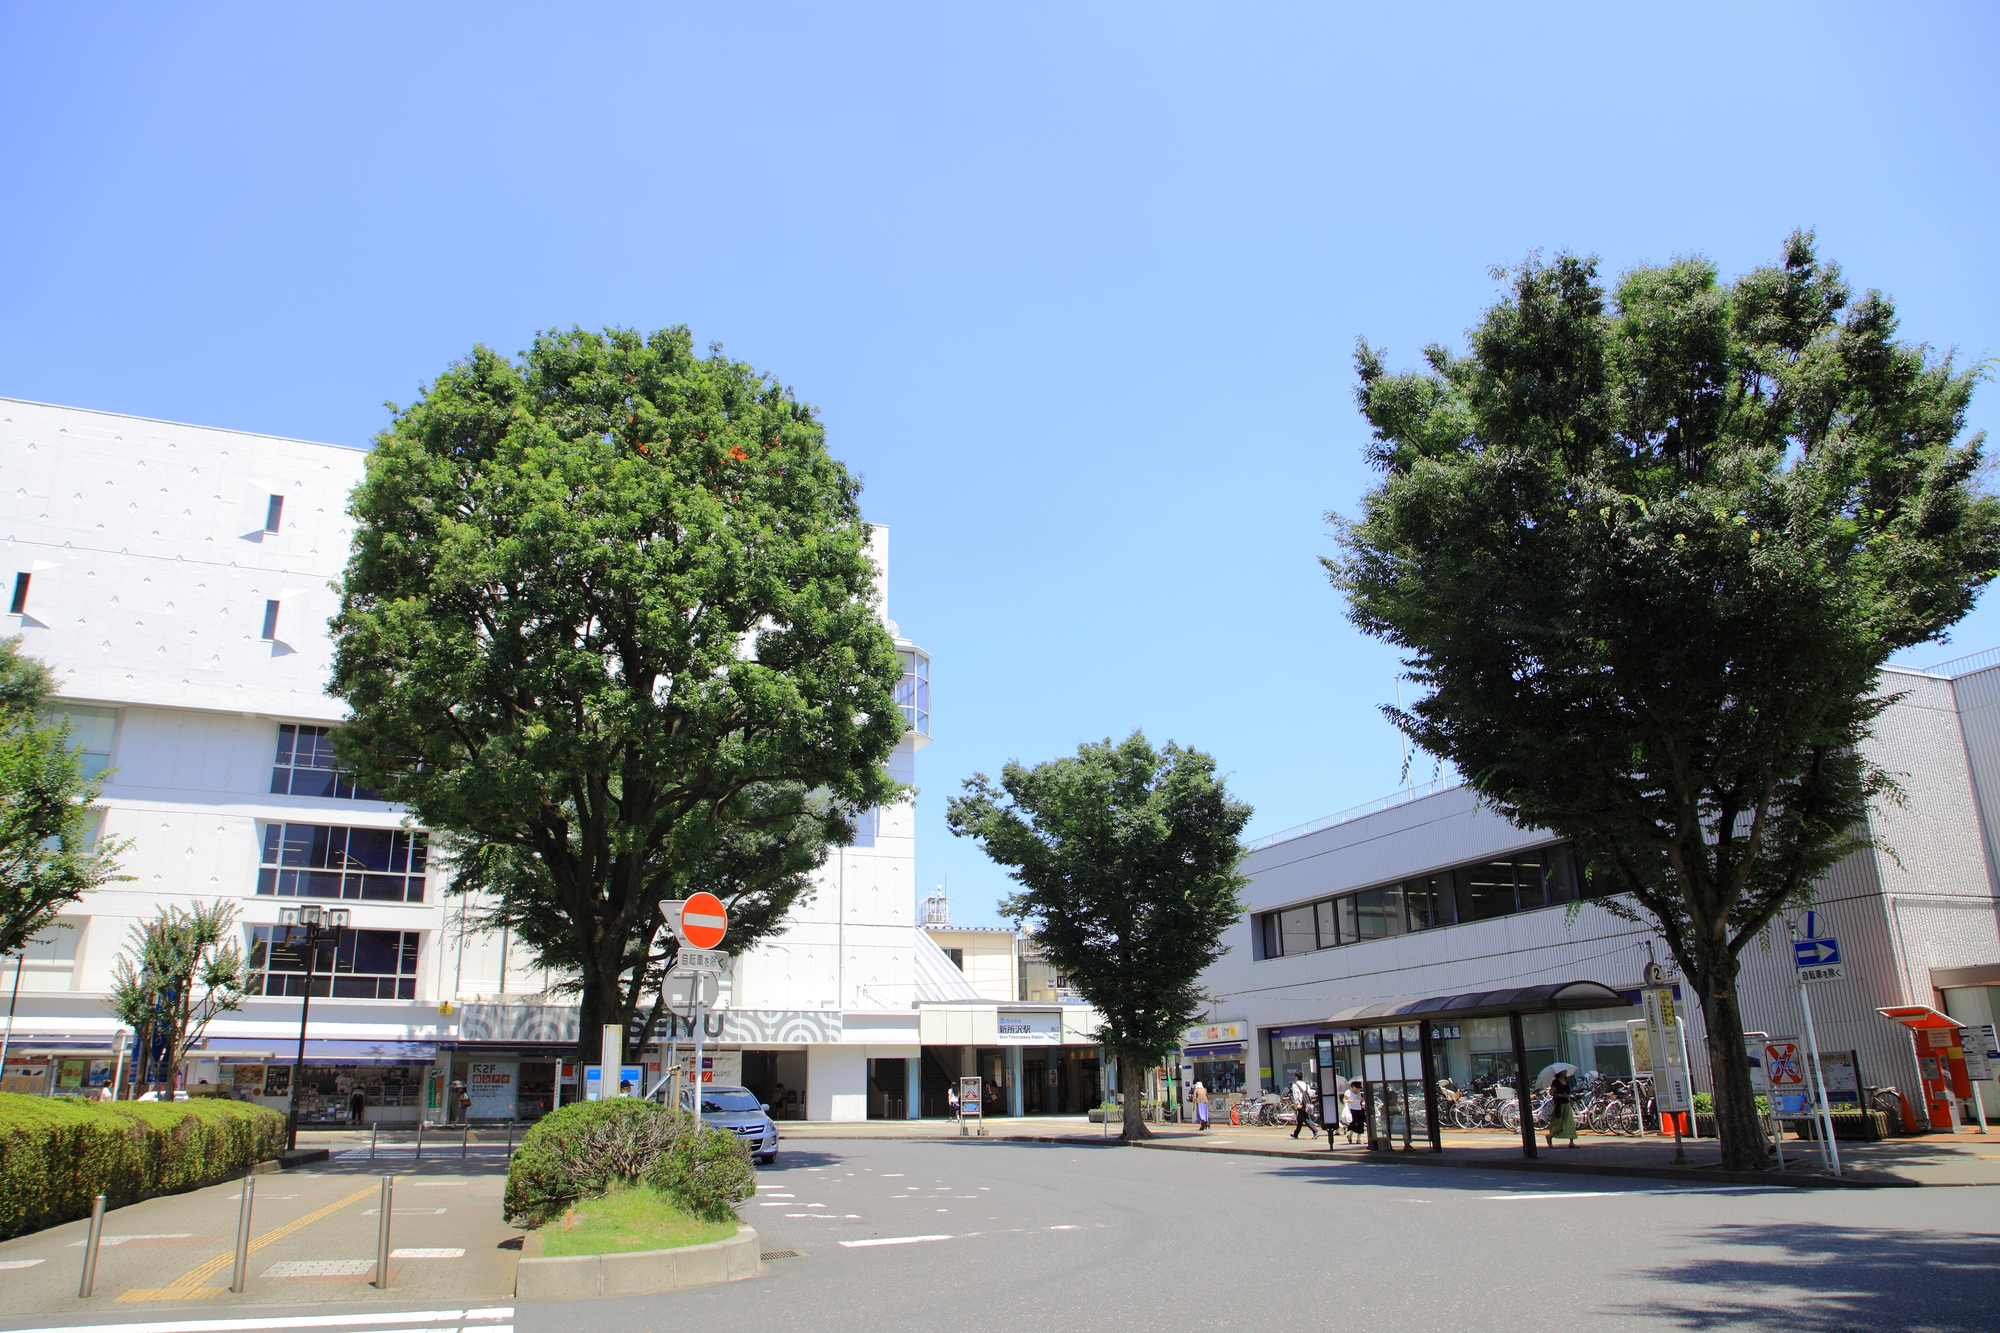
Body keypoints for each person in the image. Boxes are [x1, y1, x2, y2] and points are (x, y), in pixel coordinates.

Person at [1546, 1069, 1578, 1148]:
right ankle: (1550, 1136)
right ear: (1560, 1073)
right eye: (1564, 1071)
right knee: (1559, 1124)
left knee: (1569, 1122)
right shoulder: (1556, 1082)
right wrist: (1561, 1095)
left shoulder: (1566, 1082)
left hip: (1566, 1104)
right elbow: (1552, 1093)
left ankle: (1571, 1142)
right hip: (1559, 1104)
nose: (1565, 1072)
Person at [1289, 1073, 1319, 1140]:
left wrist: (1296, 1103)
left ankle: (1315, 1131)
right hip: (1306, 1103)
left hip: (1300, 1103)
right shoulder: (1306, 1084)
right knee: (1300, 1119)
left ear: (1296, 1077)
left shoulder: (1295, 1085)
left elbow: (1295, 1095)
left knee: (1304, 1118)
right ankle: (1296, 1134)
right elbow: (1310, 1093)